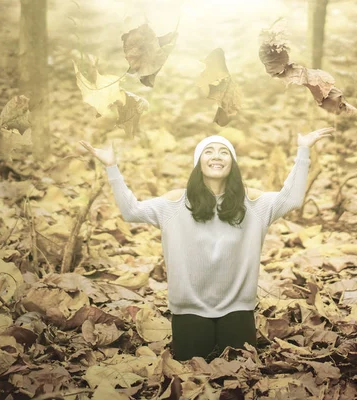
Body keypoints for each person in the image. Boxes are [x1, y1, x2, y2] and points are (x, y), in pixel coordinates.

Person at [79, 127, 333, 361]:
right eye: (208, 151)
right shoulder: (175, 204)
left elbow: (291, 198)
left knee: (240, 368)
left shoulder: (253, 205)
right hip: (189, 308)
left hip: (237, 307)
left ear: (232, 163)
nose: (216, 156)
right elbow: (132, 211)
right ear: (198, 162)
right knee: (192, 368)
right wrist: (111, 166)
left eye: (224, 152)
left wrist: (303, 150)